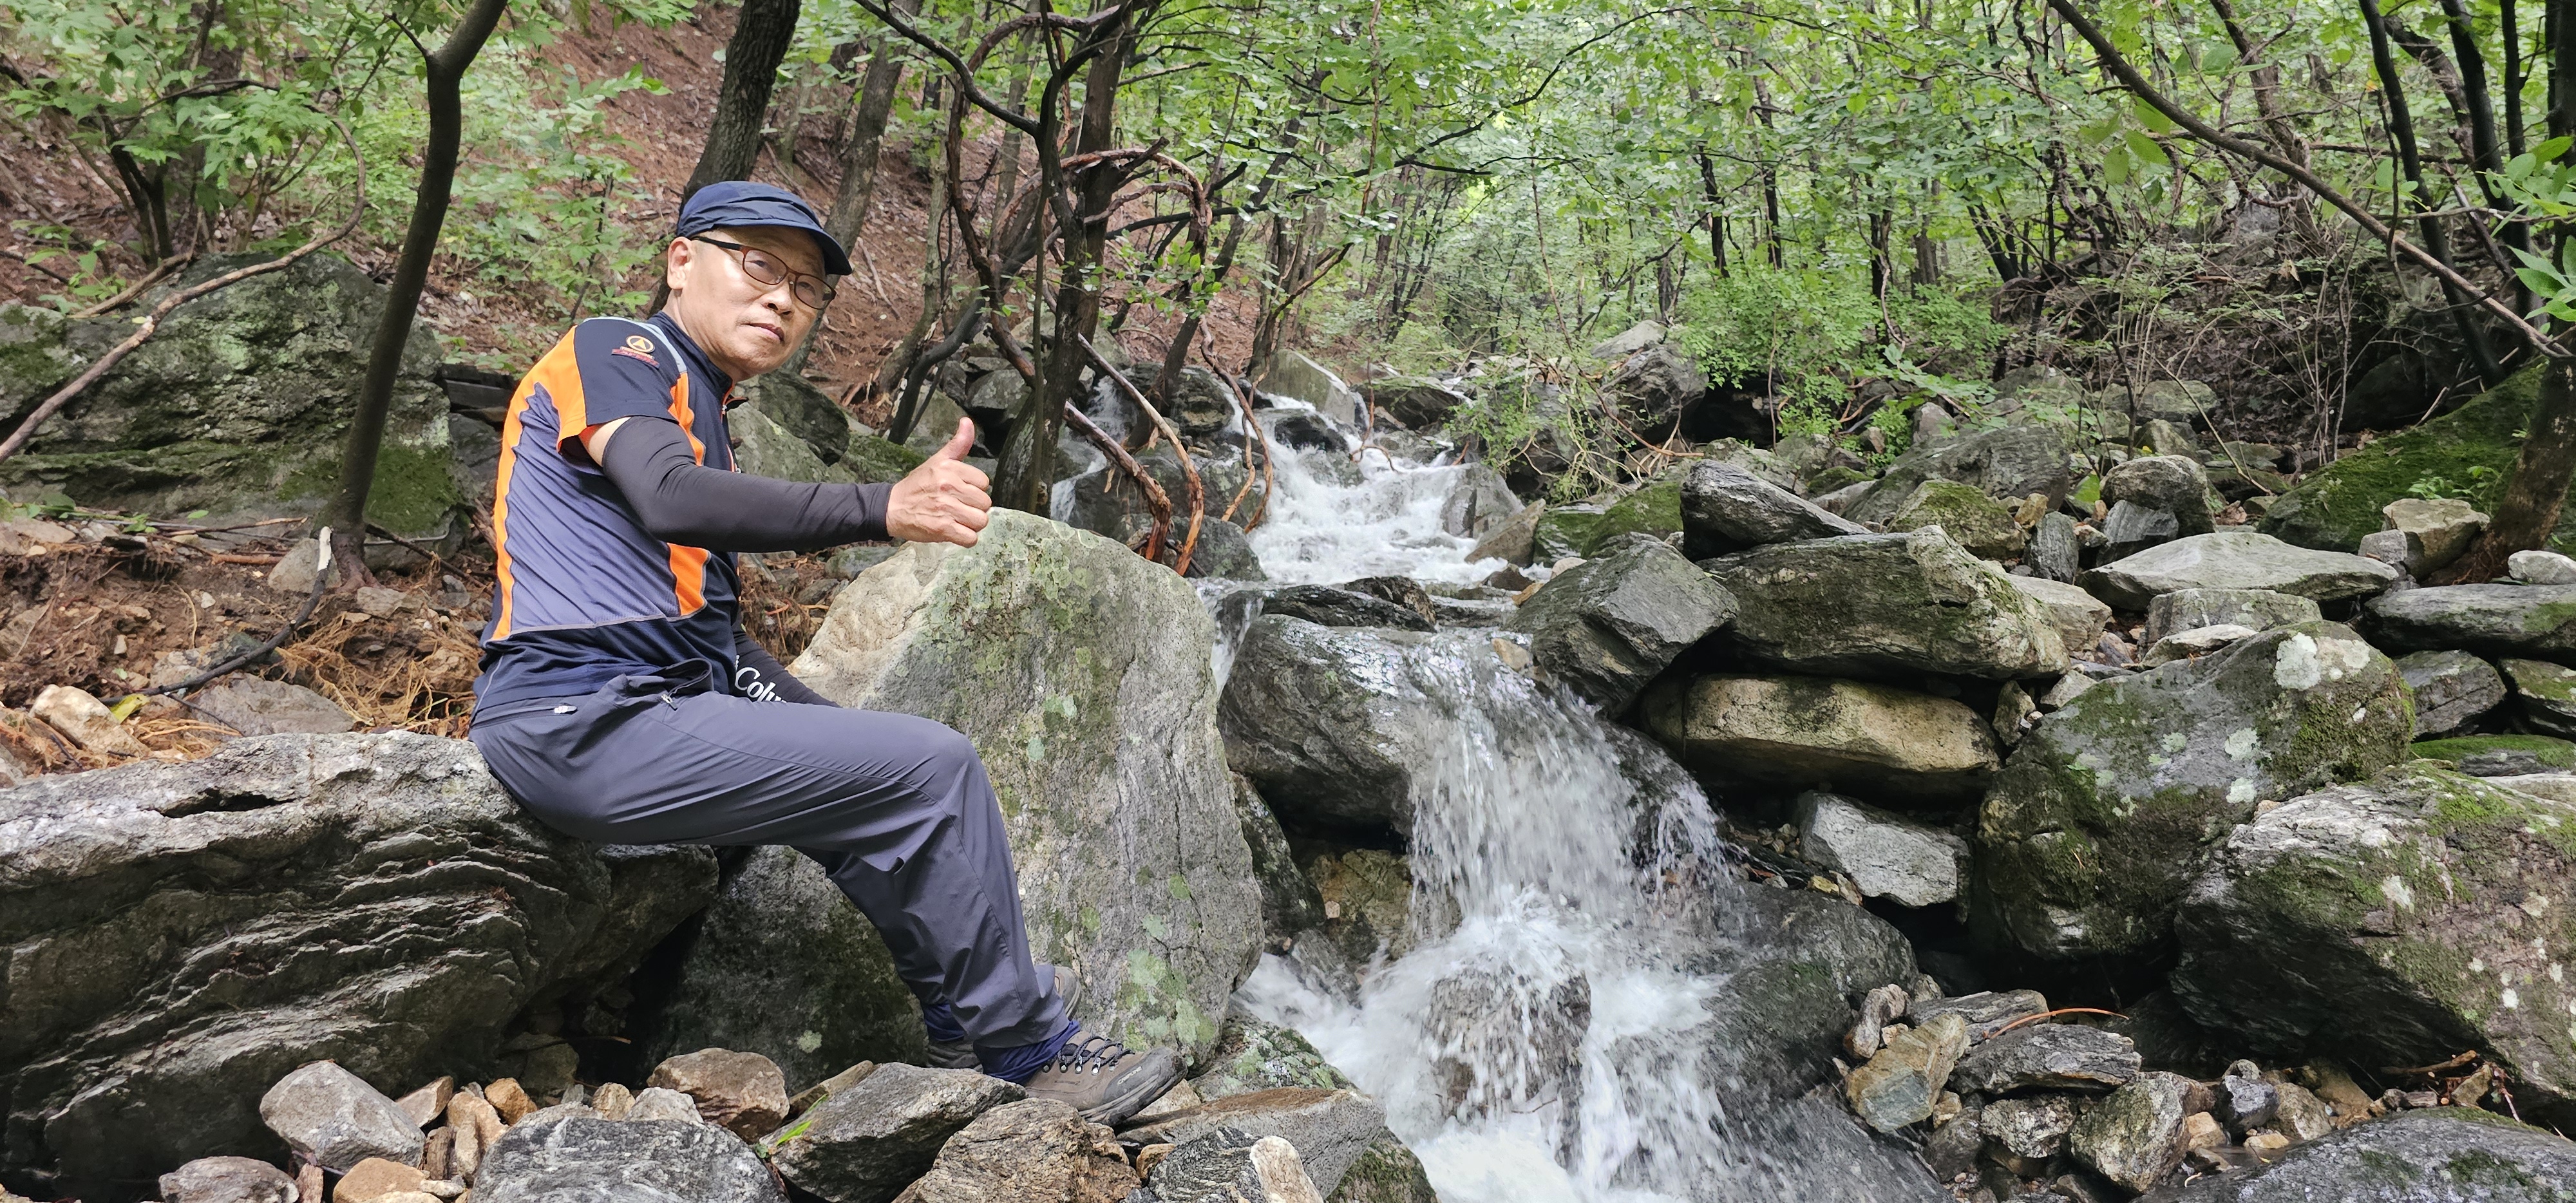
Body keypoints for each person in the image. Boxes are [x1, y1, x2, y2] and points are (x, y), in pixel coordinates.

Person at [465, 181, 1183, 1123]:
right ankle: (1033, 1051)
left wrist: (818, 725)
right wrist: (881, 506)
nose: (782, 299)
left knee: (875, 779)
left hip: (649, 700)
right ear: (680, 261)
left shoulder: (702, 404)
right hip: (577, 714)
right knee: (931, 765)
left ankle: (960, 1018)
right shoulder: (619, 350)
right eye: (758, 265)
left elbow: (706, 633)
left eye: (806, 288)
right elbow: (668, 497)